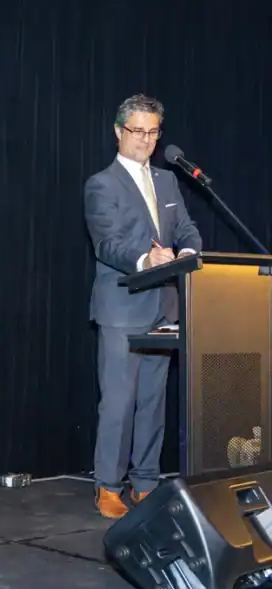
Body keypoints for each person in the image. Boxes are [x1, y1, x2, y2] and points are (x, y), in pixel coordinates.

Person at [83, 94, 202, 519]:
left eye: (153, 132)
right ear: (118, 132)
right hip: (122, 307)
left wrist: (187, 252)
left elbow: (187, 228)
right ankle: (108, 486)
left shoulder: (168, 182)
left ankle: (146, 482)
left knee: (153, 400)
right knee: (118, 401)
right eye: (137, 131)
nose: (146, 140)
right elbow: (107, 243)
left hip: (164, 306)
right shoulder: (101, 184)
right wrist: (145, 259)